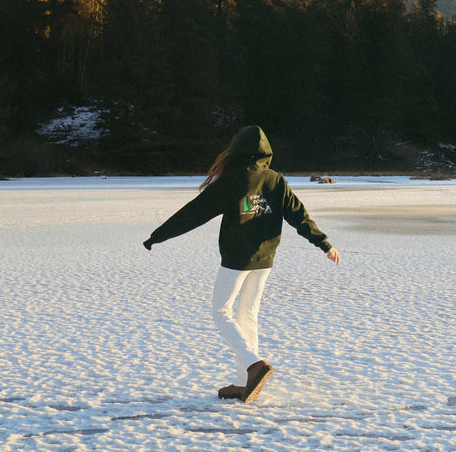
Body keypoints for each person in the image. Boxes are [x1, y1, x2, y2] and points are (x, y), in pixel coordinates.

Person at [143, 126, 340, 403]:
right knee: (248, 314)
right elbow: (300, 216)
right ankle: (243, 381)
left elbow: (195, 212)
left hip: (238, 258)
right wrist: (325, 244)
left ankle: (253, 364)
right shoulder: (275, 179)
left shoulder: (234, 179)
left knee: (221, 311)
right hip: (265, 259)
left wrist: (157, 236)